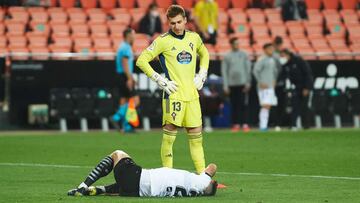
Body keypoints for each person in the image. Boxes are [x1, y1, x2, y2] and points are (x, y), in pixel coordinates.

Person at [136, 5, 209, 174]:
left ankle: (202, 177)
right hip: (173, 95)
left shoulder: (194, 38)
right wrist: (160, 79)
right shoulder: (163, 41)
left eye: (179, 22)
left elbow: (204, 53)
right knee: (170, 136)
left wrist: (202, 73)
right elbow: (141, 60)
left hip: (192, 95)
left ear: (185, 20)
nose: (176, 26)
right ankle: (167, 176)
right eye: (172, 23)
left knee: (196, 137)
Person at [67, 150, 218, 197]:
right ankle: (100, 190)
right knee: (125, 185)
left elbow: (213, 167)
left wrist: (207, 174)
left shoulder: (202, 182)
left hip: (141, 177)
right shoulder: (195, 192)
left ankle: (82, 186)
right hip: (136, 191)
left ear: (210, 183)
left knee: (117, 154)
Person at [110, 28, 140, 133]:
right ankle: (116, 117)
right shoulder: (126, 48)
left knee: (124, 101)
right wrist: (129, 78)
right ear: (128, 36)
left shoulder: (122, 47)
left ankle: (126, 127)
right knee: (135, 101)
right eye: (133, 34)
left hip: (120, 76)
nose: (134, 37)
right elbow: (125, 63)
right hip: (124, 76)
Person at [221, 37, 252, 132]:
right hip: (232, 84)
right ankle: (236, 124)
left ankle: (245, 124)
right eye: (235, 43)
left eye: (238, 43)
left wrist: (248, 82)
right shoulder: (227, 56)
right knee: (234, 105)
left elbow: (248, 69)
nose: (237, 45)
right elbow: (224, 71)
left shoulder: (244, 54)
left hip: (242, 83)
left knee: (243, 104)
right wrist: (225, 85)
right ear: (231, 45)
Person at [279, 49, 313, 130]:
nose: (282, 58)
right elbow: (283, 76)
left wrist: (307, 88)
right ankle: (293, 125)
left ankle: (306, 125)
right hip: (296, 87)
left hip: (304, 86)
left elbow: (307, 74)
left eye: (283, 56)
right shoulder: (286, 65)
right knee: (294, 105)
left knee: (305, 106)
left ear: (288, 55)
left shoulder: (299, 61)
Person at [253, 43, 278, 131]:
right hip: (264, 86)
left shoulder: (272, 59)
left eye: (272, 49)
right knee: (265, 105)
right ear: (265, 50)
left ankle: (264, 125)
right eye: (270, 49)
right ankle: (262, 126)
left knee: (268, 106)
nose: (272, 50)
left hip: (270, 86)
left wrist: (274, 81)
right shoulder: (262, 59)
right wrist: (260, 82)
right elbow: (256, 71)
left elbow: (274, 72)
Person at [273, 36, 286, 131]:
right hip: (273, 83)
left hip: (281, 83)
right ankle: (275, 123)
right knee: (272, 104)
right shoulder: (273, 55)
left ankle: (278, 123)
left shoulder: (283, 54)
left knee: (281, 104)